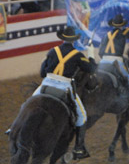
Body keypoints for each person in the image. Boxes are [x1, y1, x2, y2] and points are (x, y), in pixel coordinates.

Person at [33, 26, 96, 159]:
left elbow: (42, 73)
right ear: (74, 40)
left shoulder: (52, 51)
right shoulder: (78, 55)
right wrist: (91, 55)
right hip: (64, 87)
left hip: (46, 84)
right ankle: (79, 148)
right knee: (82, 116)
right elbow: (91, 69)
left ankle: (13, 128)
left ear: (62, 39)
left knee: (29, 103)